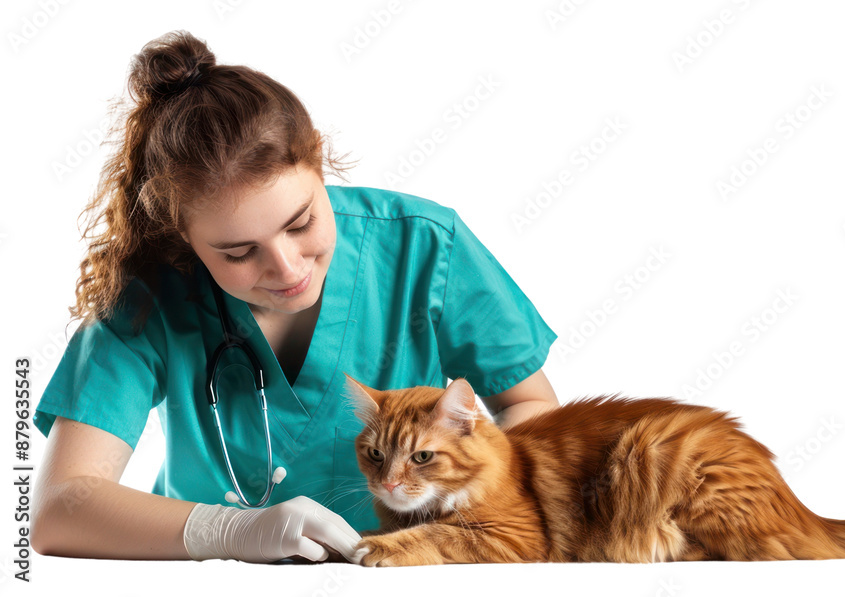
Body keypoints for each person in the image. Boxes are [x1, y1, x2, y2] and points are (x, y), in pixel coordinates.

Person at [29, 30, 559, 563]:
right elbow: (59, 508)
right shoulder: (148, 296)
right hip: (209, 581)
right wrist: (229, 532)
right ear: (181, 239)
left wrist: (455, 518)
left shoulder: (423, 245)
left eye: (301, 221)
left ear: (320, 165)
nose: (287, 268)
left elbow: (530, 405)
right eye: (238, 253)